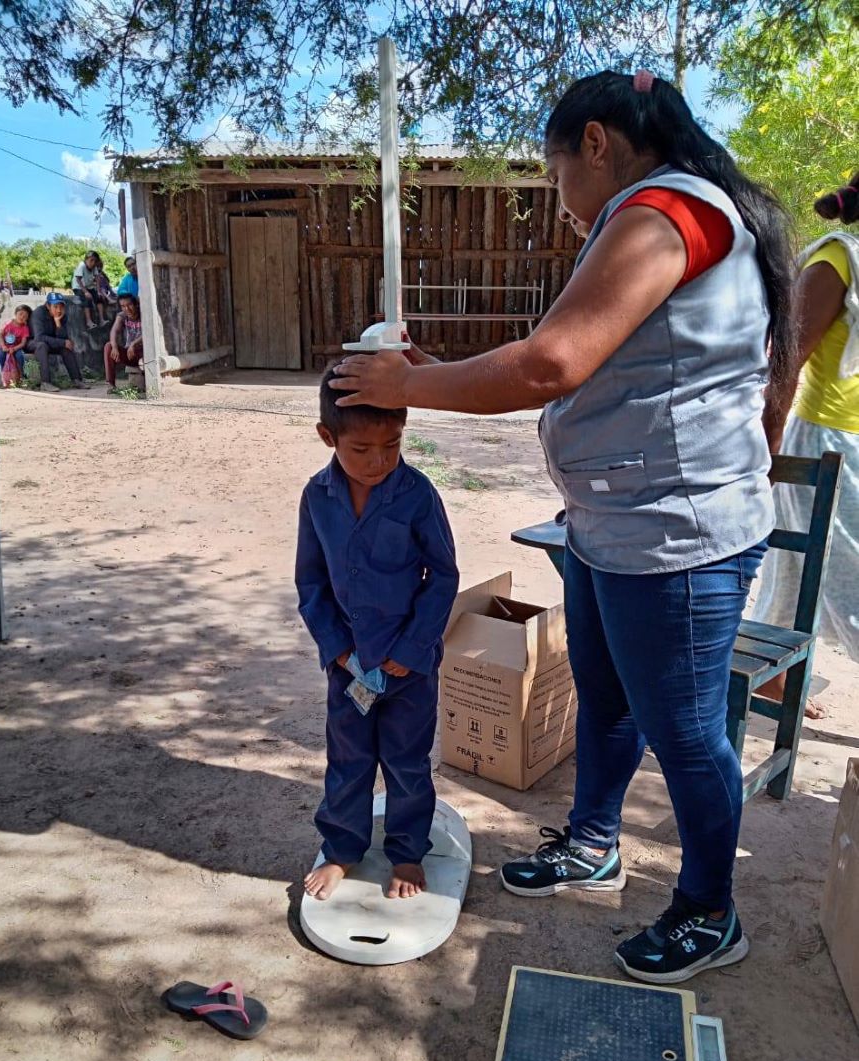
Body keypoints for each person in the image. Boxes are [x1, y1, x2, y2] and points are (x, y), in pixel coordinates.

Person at [331, 69, 796, 983]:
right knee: (607, 700)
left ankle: (711, 910)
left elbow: (552, 363)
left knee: (687, 732)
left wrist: (411, 384)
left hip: (676, 539)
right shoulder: (663, 215)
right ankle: (592, 843)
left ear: (595, 142)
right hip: (613, 525)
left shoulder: (666, 212)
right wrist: (434, 369)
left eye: (553, 176)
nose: (559, 201)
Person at [296, 371, 459, 902]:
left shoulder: (417, 495)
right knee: (348, 760)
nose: (379, 461)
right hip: (348, 667)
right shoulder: (317, 498)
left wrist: (412, 649)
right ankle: (342, 849)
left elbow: (443, 576)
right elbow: (310, 582)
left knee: (407, 762)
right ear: (328, 437)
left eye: (392, 444)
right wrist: (337, 648)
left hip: (409, 668)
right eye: (361, 449)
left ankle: (407, 852)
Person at [754, 171, 859, 714]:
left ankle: (774, 675)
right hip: (826, 444)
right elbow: (785, 361)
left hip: (852, 443)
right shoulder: (838, 260)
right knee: (849, 580)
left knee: (794, 572)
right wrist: (767, 449)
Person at [27, 292, 86, 392]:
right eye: (55, 307)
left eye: (61, 307)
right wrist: (62, 342)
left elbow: (64, 338)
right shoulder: (38, 314)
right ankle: (45, 383)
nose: (59, 310)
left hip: (50, 342)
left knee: (66, 347)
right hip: (33, 342)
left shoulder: (62, 316)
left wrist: (58, 323)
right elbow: (39, 337)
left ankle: (77, 380)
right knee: (42, 346)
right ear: (48, 306)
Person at [104, 294, 143, 391]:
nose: (127, 309)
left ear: (136, 304)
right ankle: (110, 384)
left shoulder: (143, 314)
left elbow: (148, 332)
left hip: (145, 354)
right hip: (130, 354)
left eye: (129, 305)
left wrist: (133, 344)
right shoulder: (122, 316)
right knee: (108, 346)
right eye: (123, 306)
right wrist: (114, 347)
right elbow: (114, 331)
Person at [0, 304, 32, 387]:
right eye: (20, 314)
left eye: (25, 316)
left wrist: (14, 349)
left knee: (20, 356)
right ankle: (4, 378)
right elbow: (0, 335)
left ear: (27, 319)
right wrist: (3, 346)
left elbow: (23, 343)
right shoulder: (7, 323)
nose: (22, 317)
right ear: (15, 313)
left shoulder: (25, 328)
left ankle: (22, 376)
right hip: (4, 347)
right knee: (1, 356)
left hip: (17, 347)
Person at [71, 250, 106, 329]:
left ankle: (101, 320)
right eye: (91, 260)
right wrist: (86, 292)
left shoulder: (94, 267)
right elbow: (78, 279)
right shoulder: (82, 266)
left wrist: (98, 291)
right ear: (86, 259)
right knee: (87, 299)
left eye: (95, 261)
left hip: (88, 286)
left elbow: (97, 278)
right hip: (78, 287)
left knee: (99, 297)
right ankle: (88, 321)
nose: (93, 263)